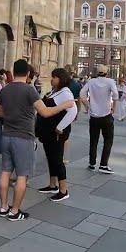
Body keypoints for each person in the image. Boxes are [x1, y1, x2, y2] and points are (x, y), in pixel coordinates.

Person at [0, 60, 74, 221]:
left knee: (5, 172)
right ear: (27, 74)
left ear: (14, 71)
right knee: (22, 175)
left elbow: (1, 114)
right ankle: (15, 211)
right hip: (23, 137)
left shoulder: (5, 89)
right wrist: (64, 105)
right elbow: (45, 112)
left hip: (6, 136)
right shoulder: (29, 90)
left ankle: (4, 207)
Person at [36, 68, 78, 202]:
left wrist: (60, 127)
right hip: (49, 133)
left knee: (58, 160)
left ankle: (64, 190)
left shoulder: (66, 93)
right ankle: (52, 185)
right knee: (51, 158)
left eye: (53, 77)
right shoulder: (56, 91)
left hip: (57, 133)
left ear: (59, 78)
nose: (51, 79)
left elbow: (73, 110)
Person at [79, 64, 118, 174]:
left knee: (93, 140)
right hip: (106, 115)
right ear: (107, 72)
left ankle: (92, 163)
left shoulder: (91, 82)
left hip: (94, 116)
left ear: (97, 72)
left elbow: (82, 93)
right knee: (108, 140)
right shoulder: (110, 81)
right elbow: (115, 94)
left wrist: (87, 105)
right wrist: (113, 108)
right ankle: (103, 165)